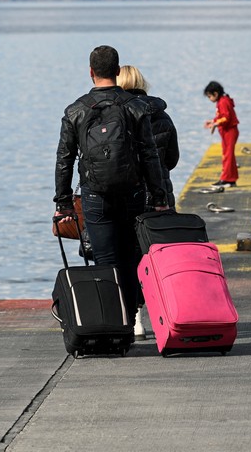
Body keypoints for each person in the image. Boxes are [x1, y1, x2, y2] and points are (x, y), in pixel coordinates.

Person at [53, 45, 169, 329]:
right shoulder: (136, 107)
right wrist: (159, 196)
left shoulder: (75, 111)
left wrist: (64, 204)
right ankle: (134, 315)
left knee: (105, 260)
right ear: (117, 72)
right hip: (133, 192)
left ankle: (114, 323)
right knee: (132, 256)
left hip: (95, 195)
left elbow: (64, 160)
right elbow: (150, 155)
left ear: (91, 72)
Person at [118, 65, 180, 208]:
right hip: (160, 195)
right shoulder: (162, 116)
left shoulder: (116, 116)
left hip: (128, 195)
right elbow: (172, 159)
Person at [203, 81, 239, 188]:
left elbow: (226, 118)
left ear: (216, 93)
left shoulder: (223, 101)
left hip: (230, 132)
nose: (209, 99)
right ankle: (231, 179)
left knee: (228, 156)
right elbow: (221, 115)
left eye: (210, 96)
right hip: (226, 132)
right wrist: (213, 121)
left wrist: (215, 123)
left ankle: (226, 179)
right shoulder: (222, 101)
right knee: (228, 155)